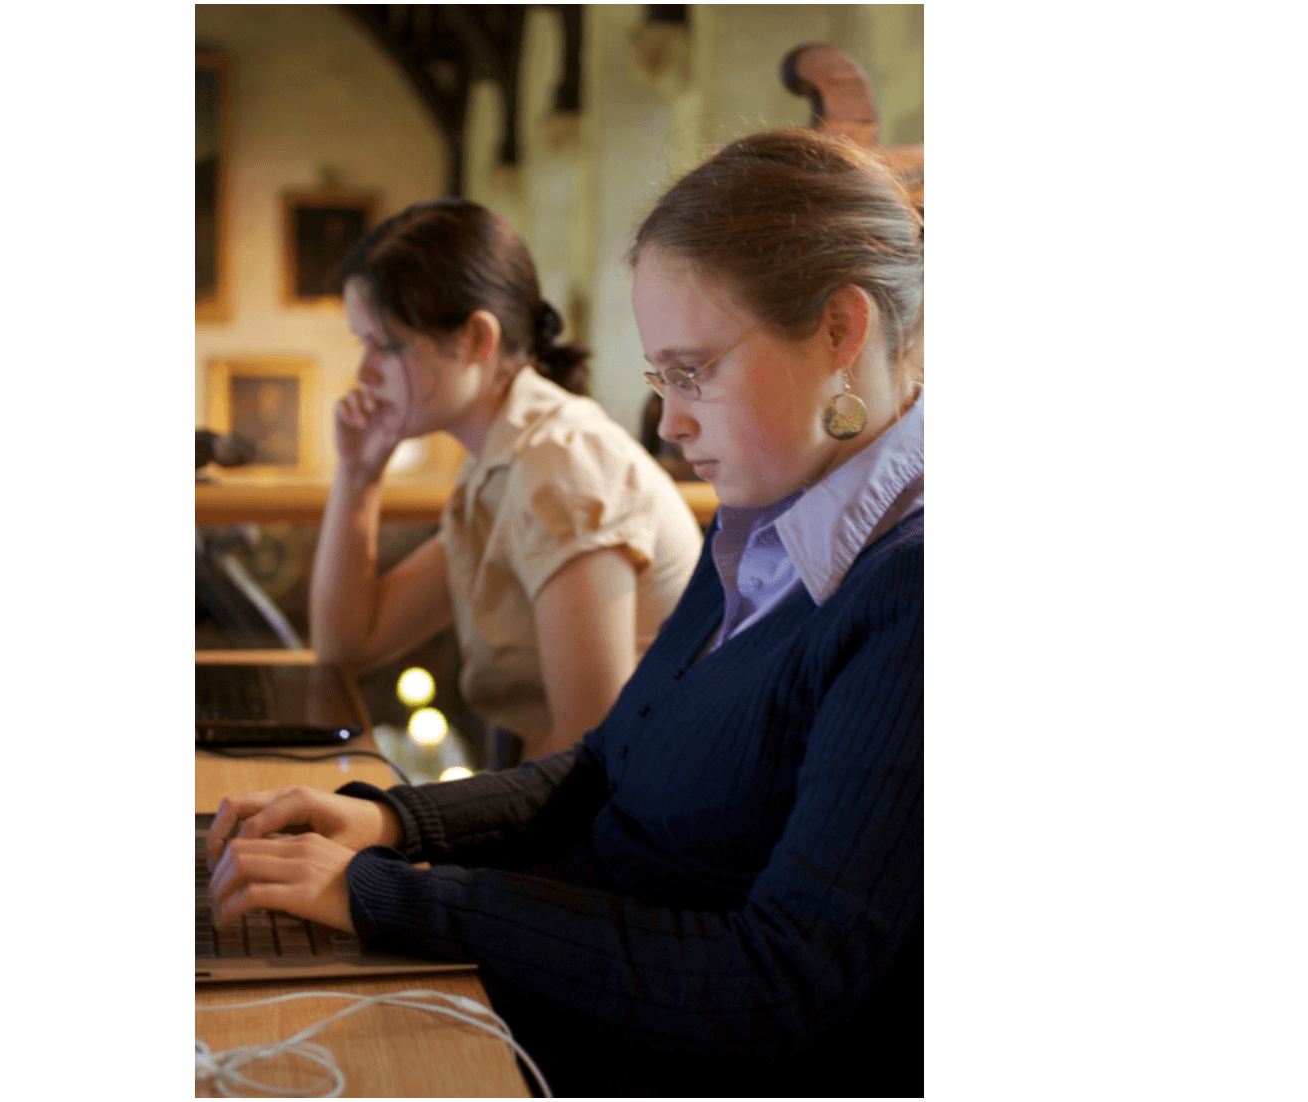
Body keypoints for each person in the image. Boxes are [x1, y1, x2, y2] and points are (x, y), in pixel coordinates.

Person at [208, 130, 924, 1097]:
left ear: (841, 331)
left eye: (693, 370)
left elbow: (775, 986)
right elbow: (598, 768)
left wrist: (397, 900)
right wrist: (386, 826)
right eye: (660, 379)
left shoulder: (909, 591)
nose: (669, 423)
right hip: (571, 987)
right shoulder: (767, 514)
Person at [312, 198, 702, 761]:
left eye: (386, 345)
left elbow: (587, 747)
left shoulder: (560, 463)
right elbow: (348, 644)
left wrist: (413, 827)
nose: (364, 372)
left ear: (476, 339)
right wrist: (357, 473)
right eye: (362, 343)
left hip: (641, 823)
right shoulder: (499, 461)